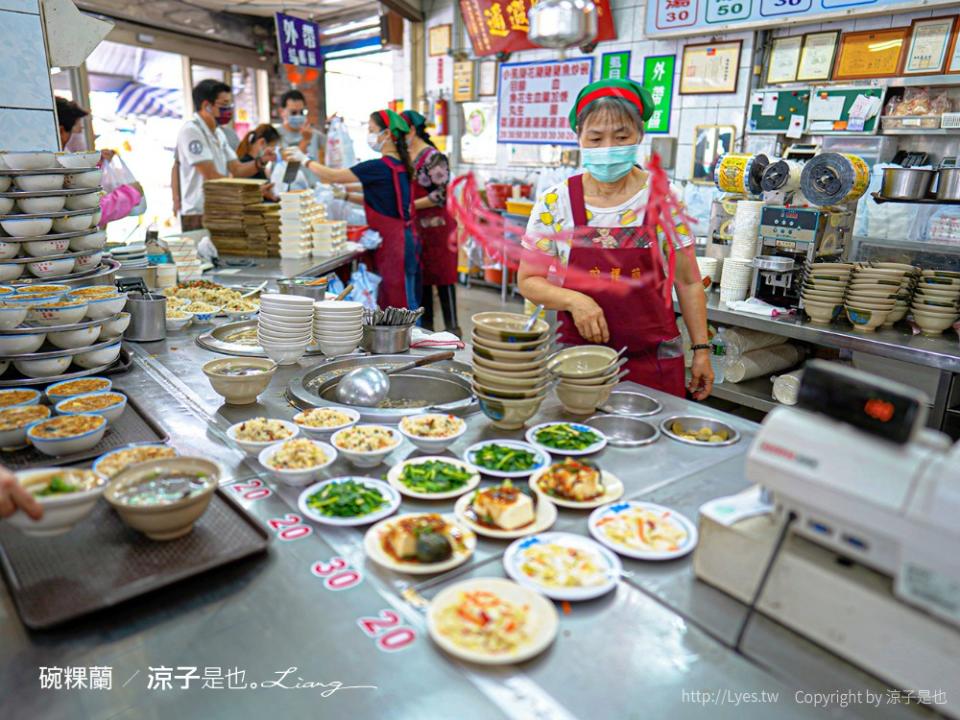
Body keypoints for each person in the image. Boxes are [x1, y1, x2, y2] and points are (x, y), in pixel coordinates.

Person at [519, 78, 713, 399]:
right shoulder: (556, 201)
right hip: (579, 359)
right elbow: (529, 280)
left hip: (654, 357)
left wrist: (702, 349)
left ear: (639, 135)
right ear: (578, 137)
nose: (607, 148)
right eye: (595, 138)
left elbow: (689, 282)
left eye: (621, 137)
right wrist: (575, 300)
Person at [284, 109, 420, 310]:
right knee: (407, 298)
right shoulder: (398, 165)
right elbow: (380, 198)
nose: (370, 135)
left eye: (372, 130)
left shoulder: (379, 166)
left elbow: (333, 175)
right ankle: (408, 335)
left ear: (387, 135)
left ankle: (403, 337)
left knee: (397, 303)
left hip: (393, 246)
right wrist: (345, 195)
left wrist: (305, 160)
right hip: (405, 239)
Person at [173, 79, 268, 231]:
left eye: (230, 105)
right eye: (224, 105)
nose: (229, 109)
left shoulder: (219, 133)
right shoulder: (192, 131)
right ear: (206, 106)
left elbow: (237, 169)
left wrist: (261, 161)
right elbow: (210, 175)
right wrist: (247, 193)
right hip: (198, 212)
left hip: (219, 208)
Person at [401, 110, 459, 335]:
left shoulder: (433, 157)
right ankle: (427, 334)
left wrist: (411, 205)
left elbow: (441, 194)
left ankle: (453, 333)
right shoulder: (407, 155)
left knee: (444, 281)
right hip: (418, 228)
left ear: (412, 130)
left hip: (438, 229)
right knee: (422, 281)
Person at [55, 97, 144, 226]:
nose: (82, 138)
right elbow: (86, 213)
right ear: (62, 132)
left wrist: (96, 163)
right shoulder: (55, 167)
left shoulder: (58, 160)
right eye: (79, 131)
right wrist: (129, 194)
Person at [278, 90, 323, 184]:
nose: (298, 116)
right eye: (293, 113)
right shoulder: (276, 135)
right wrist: (306, 141)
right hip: (287, 192)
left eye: (302, 112)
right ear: (282, 111)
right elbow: (289, 166)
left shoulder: (315, 135)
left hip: (312, 190)